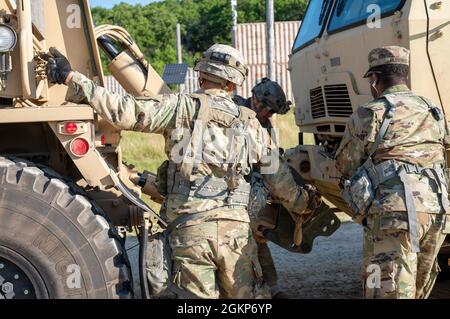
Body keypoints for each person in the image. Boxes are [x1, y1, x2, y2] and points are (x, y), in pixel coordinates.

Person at [43, 44, 320, 299]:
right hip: (236, 235)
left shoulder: (180, 107)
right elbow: (279, 178)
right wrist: (303, 202)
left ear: (201, 77)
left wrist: (71, 78)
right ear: (233, 83)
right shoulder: (252, 124)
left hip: (189, 233)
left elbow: (126, 110)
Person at [335, 46, 450, 299]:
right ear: (405, 74)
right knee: (417, 289)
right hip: (437, 210)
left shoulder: (371, 112)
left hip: (395, 212)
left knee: (387, 290)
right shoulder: (433, 110)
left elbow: (345, 165)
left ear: (375, 78)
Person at [233, 78, 291, 299]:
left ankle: (272, 288)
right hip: (229, 189)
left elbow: (269, 158)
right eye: (268, 110)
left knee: (259, 238)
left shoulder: (265, 123)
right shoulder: (233, 111)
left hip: (251, 189)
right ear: (256, 101)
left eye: (272, 112)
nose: (270, 115)